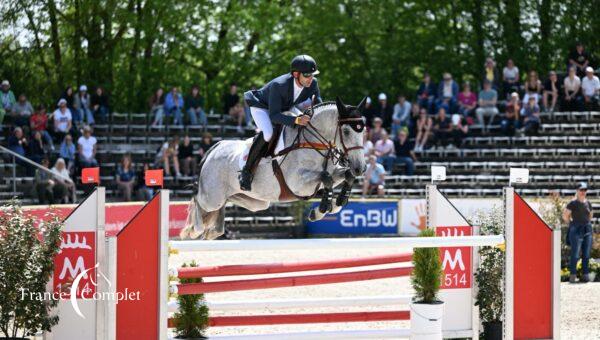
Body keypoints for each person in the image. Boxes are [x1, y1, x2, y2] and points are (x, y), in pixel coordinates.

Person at [240, 54, 322, 191]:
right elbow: (274, 116)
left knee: (305, 126)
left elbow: (318, 104)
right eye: (307, 75)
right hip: (262, 107)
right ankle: (246, 172)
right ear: (296, 74)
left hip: (285, 106)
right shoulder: (280, 85)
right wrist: (296, 119)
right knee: (268, 133)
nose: (311, 78)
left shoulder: (312, 83)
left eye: (312, 74)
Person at [563, 182, 593, 283]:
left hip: (587, 229)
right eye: (581, 190)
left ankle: (585, 276)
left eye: (585, 190)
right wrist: (572, 224)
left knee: (586, 254)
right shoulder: (572, 203)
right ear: (577, 190)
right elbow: (565, 216)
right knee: (575, 254)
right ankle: (573, 276)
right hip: (576, 229)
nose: (583, 192)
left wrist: (587, 224)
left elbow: (590, 216)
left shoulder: (588, 203)